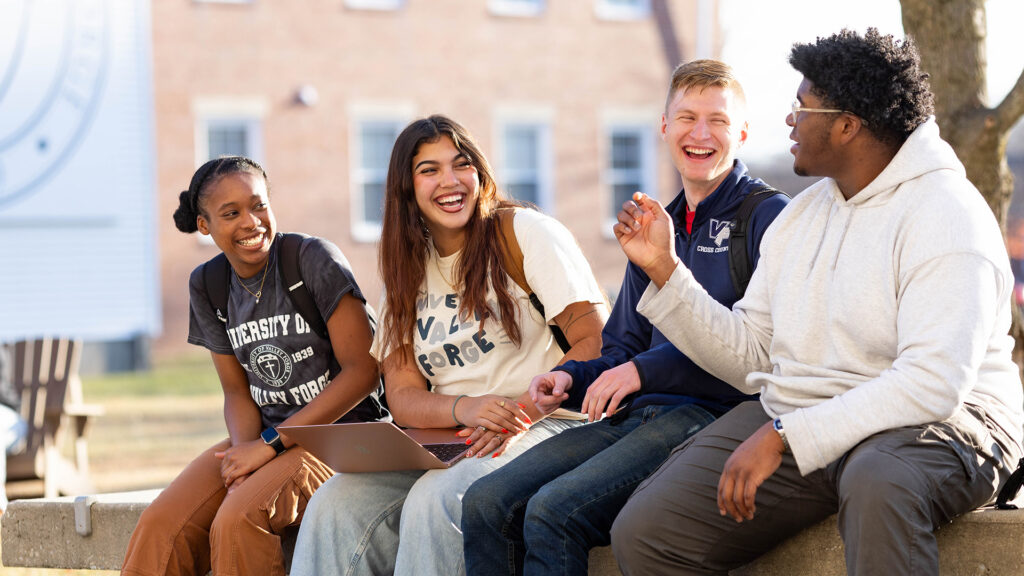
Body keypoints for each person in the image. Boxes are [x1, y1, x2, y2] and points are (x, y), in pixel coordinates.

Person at [609, 29, 1024, 576]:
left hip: (951, 422)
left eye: (802, 107)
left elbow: (933, 381)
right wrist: (665, 269)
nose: (789, 121)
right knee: (648, 532)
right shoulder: (805, 217)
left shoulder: (946, 214)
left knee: (878, 479)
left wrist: (787, 436)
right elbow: (752, 354)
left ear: (847, 125)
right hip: (809, 413)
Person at [461, 59, 788, 576]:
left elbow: (757, 353)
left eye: (718, 121)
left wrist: (642, 372)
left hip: (711, 419)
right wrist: (568, 377)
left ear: (742, 133)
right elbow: (622, 347)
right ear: (664, 127)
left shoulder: (768, 218)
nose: (700, 133)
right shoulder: (656, 226)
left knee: (553, 512)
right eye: (686, 118)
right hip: (635, 418)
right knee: (484, 501)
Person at [290, 114, 609, 576]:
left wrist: (514, 413)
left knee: (436, 500)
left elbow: (594, 343)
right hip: (456, 434)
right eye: (429, 170)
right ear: (407, 189)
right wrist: (467, 408)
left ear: (479, 172)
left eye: (461, 164)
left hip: (552, 422)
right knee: (335, 501)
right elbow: (402, 397)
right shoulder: (406, 270)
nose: (450, 181)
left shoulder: (524, 233)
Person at [121, 156, 387, 576]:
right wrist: (246, 458)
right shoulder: (208, 285)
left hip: (341, 436)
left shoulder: (311, 259)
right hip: (270, 435)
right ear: (205, 226)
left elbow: (364, 371)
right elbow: (236, 391)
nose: (252, 222)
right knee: (161, 525)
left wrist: (268, 446)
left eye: (258, 205)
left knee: (237, 518)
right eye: (231, 213)